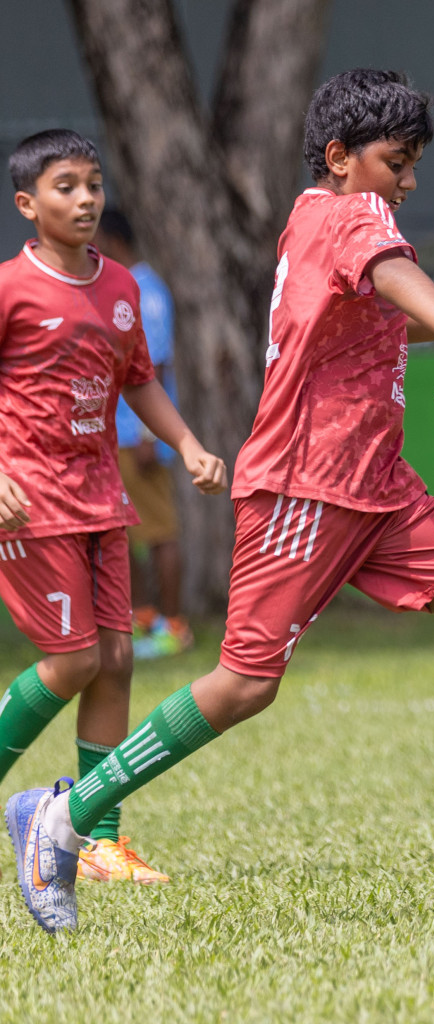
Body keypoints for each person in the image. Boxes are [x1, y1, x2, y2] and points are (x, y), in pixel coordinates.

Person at [6, 71, 434, 934]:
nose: (410, 180)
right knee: (243, 684)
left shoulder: (324, 223)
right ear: (341, 158)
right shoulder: (351, 215)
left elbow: (378, 310)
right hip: (307, 483)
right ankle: (65, 814)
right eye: (398, 161)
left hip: (376, 485)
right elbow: (387, 272)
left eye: (417, 162)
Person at [0, 130, 227, 907]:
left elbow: (140, 381)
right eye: (66, 186)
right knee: (72, 663)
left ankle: (95, 838)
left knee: (120, 661)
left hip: (101, 497)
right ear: (28, 204)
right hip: (30, 501)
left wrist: (190, 443)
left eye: (94, 184)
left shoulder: (123, 287)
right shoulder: (9, 288)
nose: (87, 199)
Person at [94, 208, 194, 659]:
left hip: (139, 437)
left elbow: (151, 367)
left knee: (159, 531)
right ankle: (145, 619)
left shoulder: (143, 290)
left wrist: (149, 436)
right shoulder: (118, 288)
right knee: (125, 532)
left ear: (112, 240)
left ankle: (174, 626)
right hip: (117, 436)